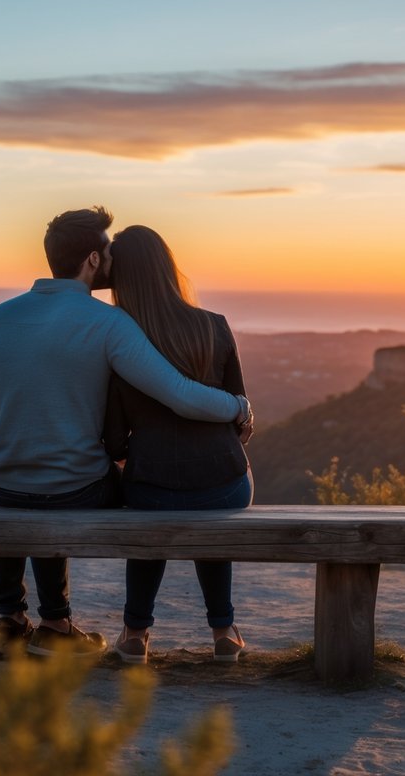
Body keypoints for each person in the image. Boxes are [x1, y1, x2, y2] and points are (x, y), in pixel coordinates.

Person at [0, 206, 251, 659]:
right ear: (94, 261)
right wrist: (237, 407)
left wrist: (19, 447)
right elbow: (179, 394)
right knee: (83, 483)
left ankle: (11, 617)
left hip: (1, 481)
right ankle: (56, 623)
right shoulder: (108, 323)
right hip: (75, 488)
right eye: (108, 251)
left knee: (32, 492)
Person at [103, 225, 254, 664]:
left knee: (156, 516)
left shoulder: (122, 340)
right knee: (215, 509)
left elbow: (114, 439)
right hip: (222, 481)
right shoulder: (215, 326)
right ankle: (224, 630)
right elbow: (237, 417)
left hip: (149, 483)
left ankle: (135, 632)